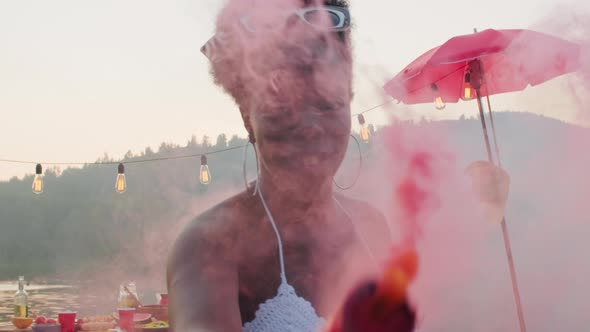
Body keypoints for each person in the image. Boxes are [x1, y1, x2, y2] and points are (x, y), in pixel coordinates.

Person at [166, 0, 508, 331]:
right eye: (283, 107)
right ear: (247, 118)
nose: (310, 125)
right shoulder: (209, 245)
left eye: (328, 104)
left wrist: (481, 224)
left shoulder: (370, 226)